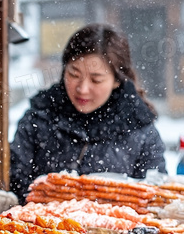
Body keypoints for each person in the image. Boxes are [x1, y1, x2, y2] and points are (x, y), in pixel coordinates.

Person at [9, 23, 166, 203]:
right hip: (41, 227)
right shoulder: (39, 117)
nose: (82, 89)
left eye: (96, 79)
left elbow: (154, 197)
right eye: (74, 75)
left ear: (117, 80)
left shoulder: (140, 129)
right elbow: (16, 185)